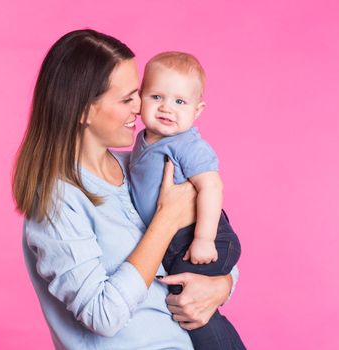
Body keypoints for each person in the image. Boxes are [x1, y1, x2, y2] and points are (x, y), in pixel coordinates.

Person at [13, 29, 239, 349]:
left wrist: (224, 285)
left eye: (139, 93)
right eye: (127, 98)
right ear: (82, 111)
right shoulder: (56, 200)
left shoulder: (138, 165)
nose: (140, 107)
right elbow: (102, 316)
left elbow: (209, 247)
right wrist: (165, 221)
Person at [129, 52, 245, 349]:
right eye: (157, 97)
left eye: (180, 102)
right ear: (140, 98)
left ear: (197, 110)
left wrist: (204, 239)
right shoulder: (141, 143)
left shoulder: (186, 144)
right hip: (173, 242)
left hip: (206, 236)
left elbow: (211, 186)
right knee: (187, 306)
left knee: (189, 306)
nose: (167, 107)